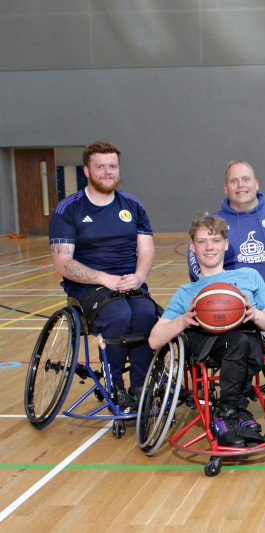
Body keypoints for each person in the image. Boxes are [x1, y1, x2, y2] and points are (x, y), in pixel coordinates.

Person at [149, 215, 265, 447]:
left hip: (246, 342)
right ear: (192, 246)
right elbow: (154, 340)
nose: (209, 247)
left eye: (215, 240)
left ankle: (230, 411)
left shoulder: (249, 276)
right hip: (207, 346)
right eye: (201, 241)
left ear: (226, 244)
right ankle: (231, 410)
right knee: (240, 341)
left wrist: (255, 314)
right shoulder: (187, 291)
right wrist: (183, 320)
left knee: (244, 339)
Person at [49, 141, 158, 412]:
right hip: (87, 287)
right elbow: (63, 263)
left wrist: (138, 275)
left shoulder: (132, 205)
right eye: (101, 167)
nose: (108, 172)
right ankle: (115, 385)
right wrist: (103, 278)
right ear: (87, 170)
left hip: (129, 283)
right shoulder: (69, 209)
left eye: (113, 166)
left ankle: (140, 387)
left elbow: (146, 250)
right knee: (119, 315)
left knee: (146, 312)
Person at [187, 160, 265, 329]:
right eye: (233, 181)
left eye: (245, 179)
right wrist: (227, 295)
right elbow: (196, 259)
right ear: (225, 188)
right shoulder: (212, 223)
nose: (240, 185)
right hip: (228, 297)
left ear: (256, 184)